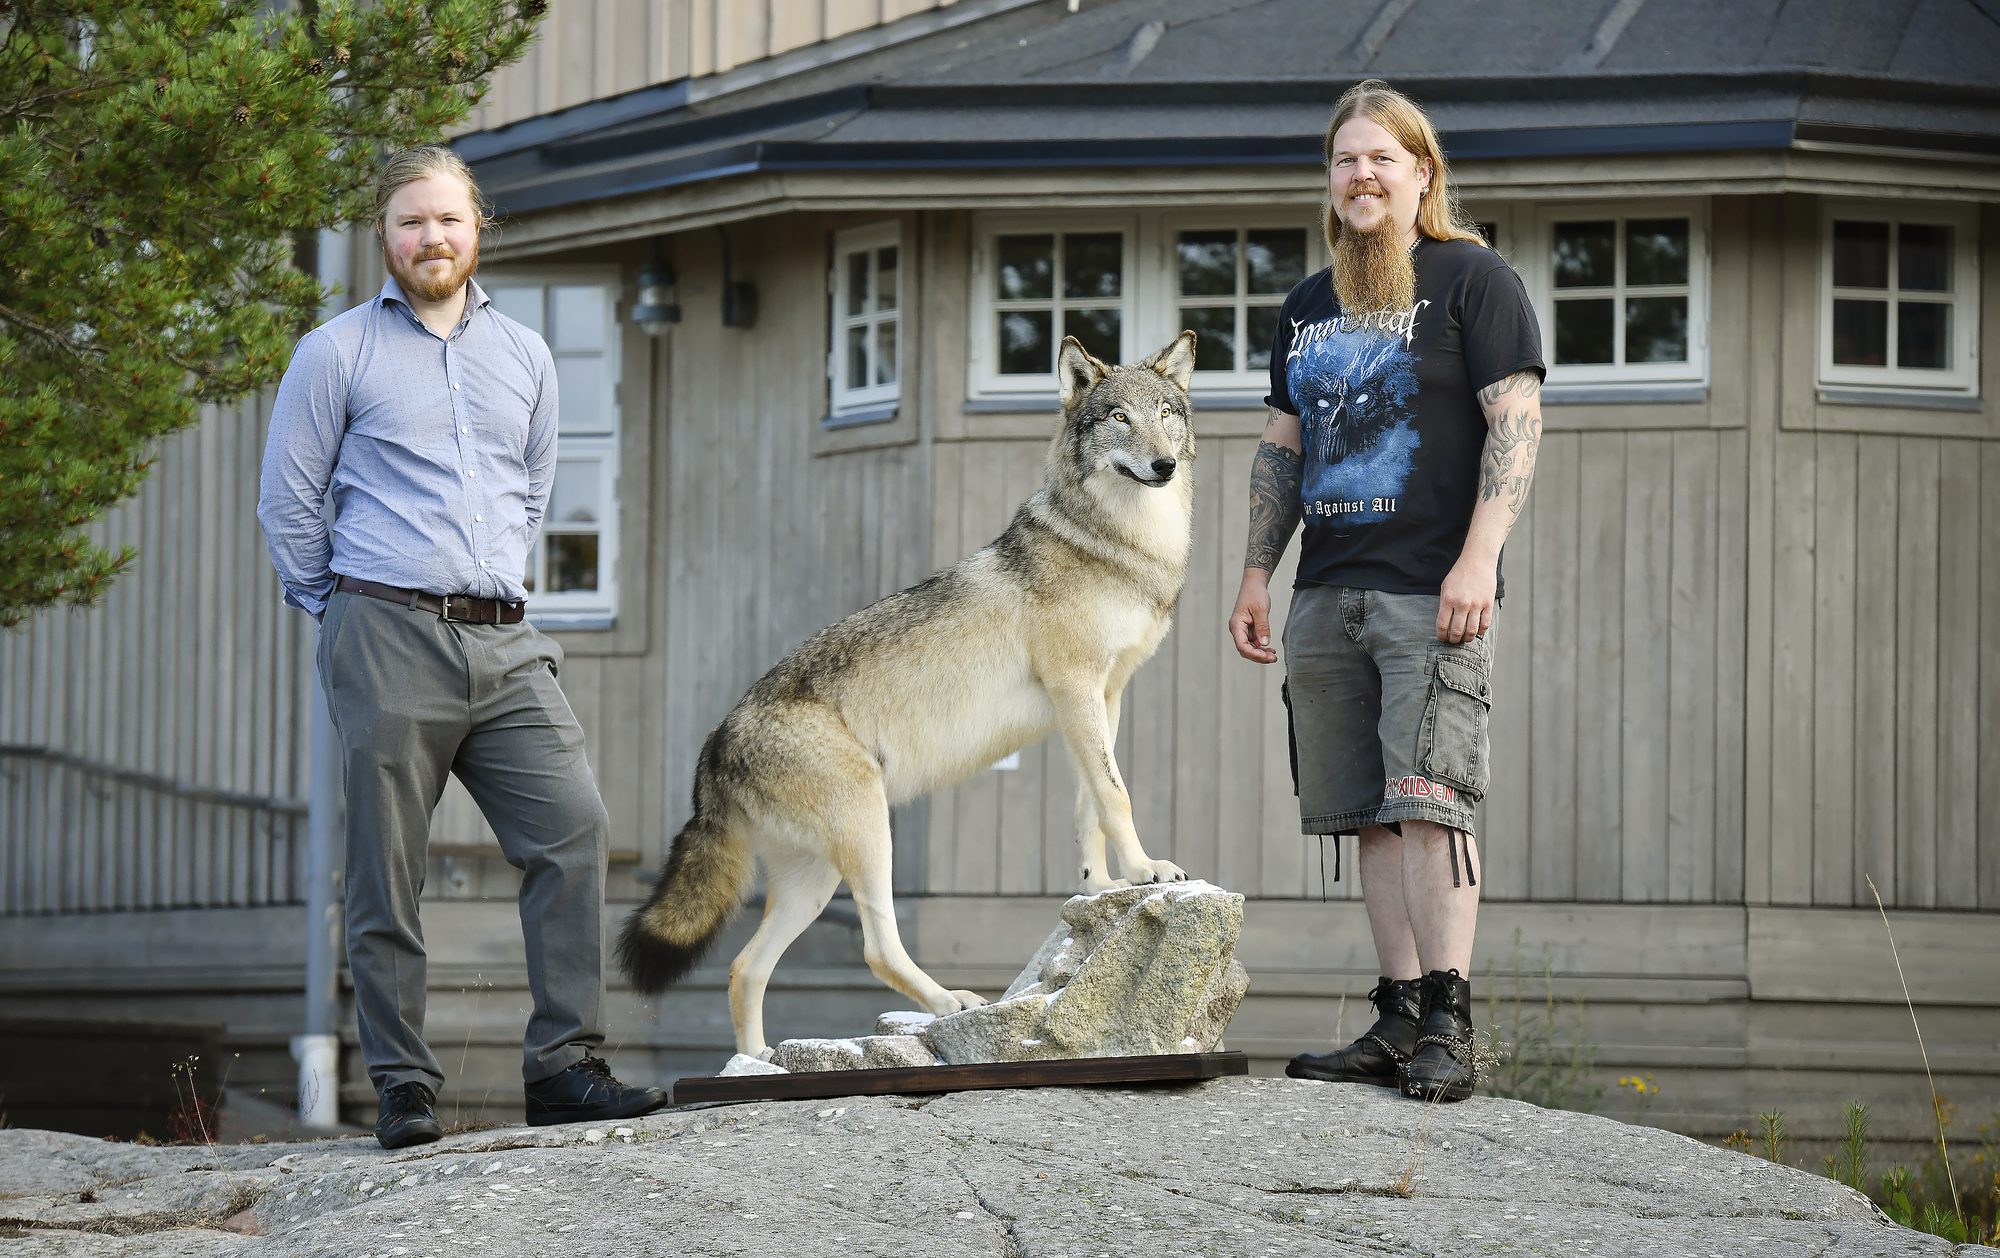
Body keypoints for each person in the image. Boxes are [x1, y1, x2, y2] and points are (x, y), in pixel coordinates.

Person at [258, 146, 668, 1148]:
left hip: (505, 641)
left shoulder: (525, 356)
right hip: (383, 630)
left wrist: (490, 584)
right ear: (384, 237)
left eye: (446, 218)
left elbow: (530, 492)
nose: (430, 237)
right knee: (385, 869)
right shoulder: (336, 352)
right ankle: (404, 1083)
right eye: (409, 221)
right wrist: (345, 612)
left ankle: (565, 1066)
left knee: (572, 831)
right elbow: (288, 501)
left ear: (475, 226)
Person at [1227, 80, 1543, 1103]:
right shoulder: (1306, 305)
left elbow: (1516, 423)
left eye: (1380, 158)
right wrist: (1253, 575)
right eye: (1344, 160)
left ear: (1421, 174)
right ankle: (1397, 1017)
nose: (1360, 175)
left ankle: (1450, 1021)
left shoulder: (1472, 280)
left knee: (1428, 802)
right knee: (1365, 813)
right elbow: (1281, 449)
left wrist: (1478, 557)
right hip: (1327, 595)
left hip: (1428, 592)